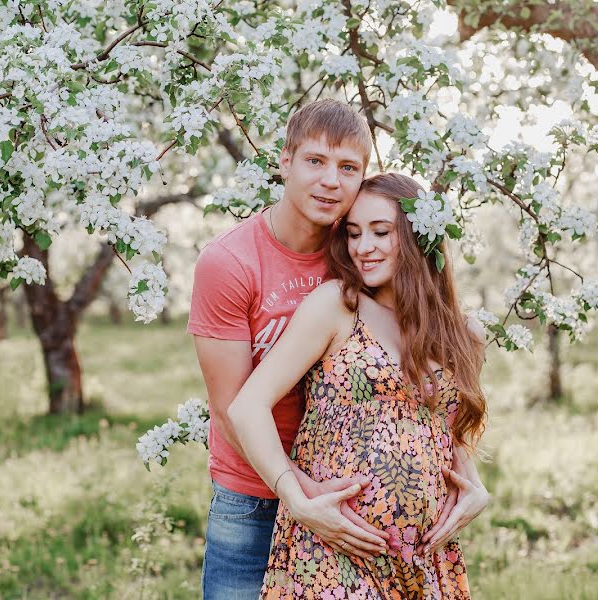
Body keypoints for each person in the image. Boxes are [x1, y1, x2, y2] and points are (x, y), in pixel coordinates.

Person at [228, 173, 491, 599]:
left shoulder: (462, 333)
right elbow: (247, 407)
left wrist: (476, 489)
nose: (362, 247)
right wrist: (298, 500)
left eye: (380, 232)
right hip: (333, 551)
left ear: (417, 236)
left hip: (423, 559)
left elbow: (447, 429)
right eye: (353, 233)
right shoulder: (337, 305)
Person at [188, 99, 392, 599]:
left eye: (348, 168)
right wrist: (298, 493)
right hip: (253, 496)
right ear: (284, 161)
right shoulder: (230, 263)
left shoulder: (363, 255)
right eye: (315, 161)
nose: (330, 181)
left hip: (345, 492)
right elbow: (229, 406)